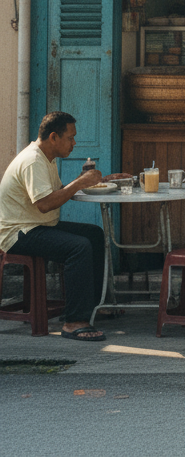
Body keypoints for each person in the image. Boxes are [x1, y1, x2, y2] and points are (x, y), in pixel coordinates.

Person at [0, 111, 114, 341]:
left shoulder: (45, 158)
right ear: (54, 137)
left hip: (38, 225)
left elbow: (58, 192)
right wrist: (79, 183)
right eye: (70, 137)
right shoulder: (33, 160)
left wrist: (102, 180)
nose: (74, 143)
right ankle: (74, 321)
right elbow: (44, 204)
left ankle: (93, 306)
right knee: (78, 247)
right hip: (18, 233)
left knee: (93, 234)